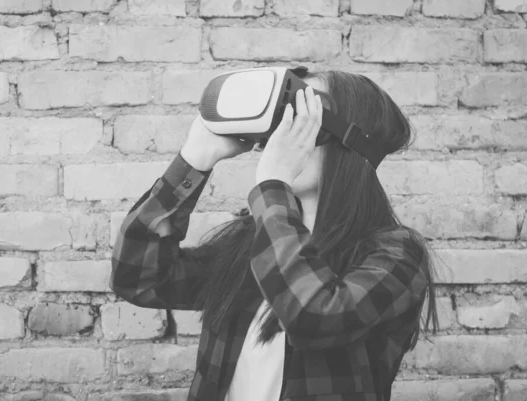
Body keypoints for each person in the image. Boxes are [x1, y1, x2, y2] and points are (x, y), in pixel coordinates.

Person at [110, 68, 439, 401]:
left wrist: (273, 183)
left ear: (349, 142)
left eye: (303, 119)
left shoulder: (397, 253)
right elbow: (138, 279)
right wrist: (195, 159)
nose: (284, 135)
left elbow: (314, 317)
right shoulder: (250, 243)